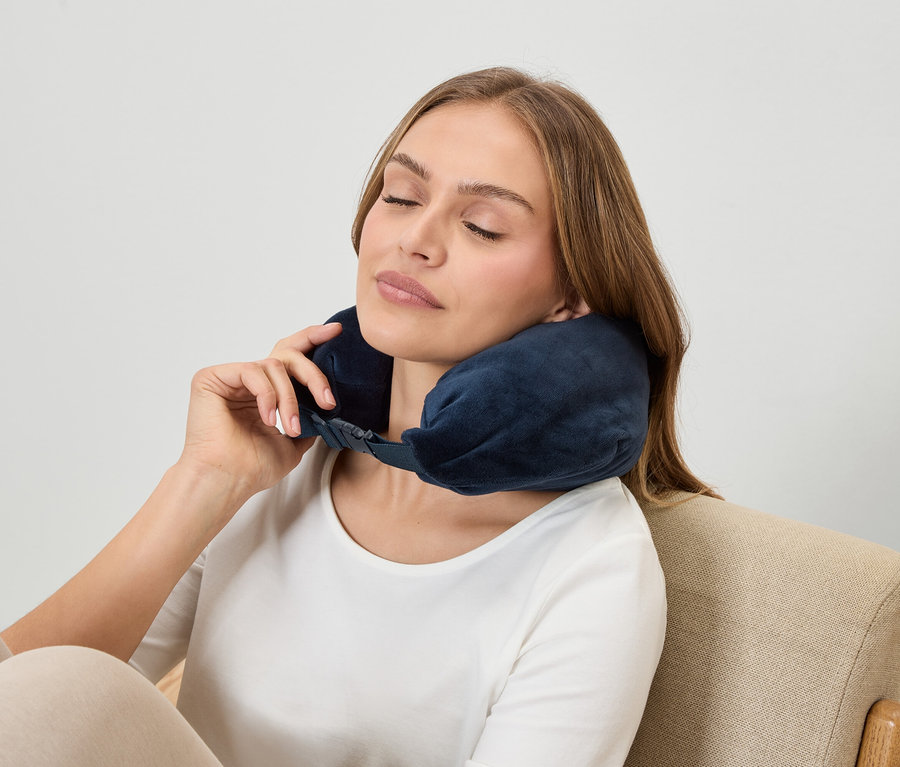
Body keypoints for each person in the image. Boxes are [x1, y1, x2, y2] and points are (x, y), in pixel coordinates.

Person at [0, 67, 715, 767]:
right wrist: (207, 479)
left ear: (571, 296)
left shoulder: (591, 567)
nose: (416, 238)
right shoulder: (278, 461)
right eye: (400, 197)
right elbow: (27, 703)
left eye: (481, 226)